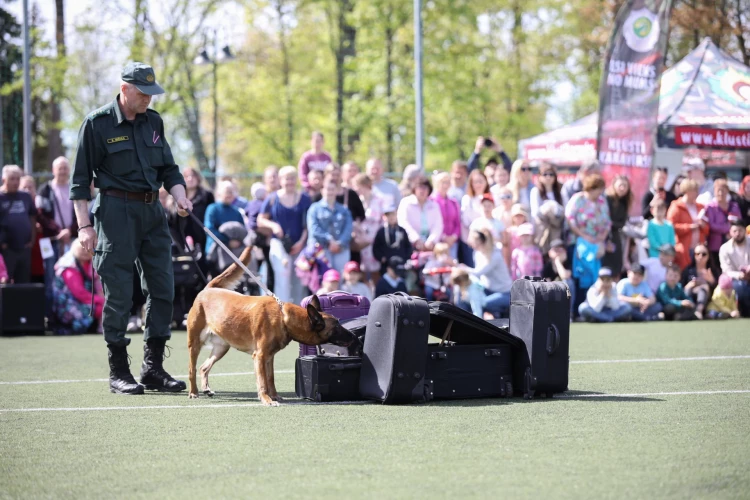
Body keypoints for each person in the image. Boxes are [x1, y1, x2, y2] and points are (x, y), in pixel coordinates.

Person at [70, 62, 192, 394]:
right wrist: (84, 227)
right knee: (120, 293)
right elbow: (79, 183)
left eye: (152, 93)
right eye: (143, 93)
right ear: (125, 89)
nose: (149, 100)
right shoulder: (97, 124)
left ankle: (153, 368)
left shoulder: (154, 121)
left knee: (163, 289)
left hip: (153, 212)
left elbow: (170, 169)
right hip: (115, 213)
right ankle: (118, 371)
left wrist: (180, 196)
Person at [257, 165, 312, 305]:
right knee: (283, 277)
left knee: (299, 280)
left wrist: (301, 243)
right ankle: (283, 312)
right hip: (279, 244)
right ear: (281, 180)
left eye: (293, 178)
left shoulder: (305, 198)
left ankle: (301, 312)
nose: (290, 182)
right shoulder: (272, 198)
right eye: (287, 179)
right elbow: (261, 219)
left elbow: (307, 224)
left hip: (300, 245)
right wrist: (274, 225)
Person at [50, 241, 105, 335]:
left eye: (87, 249)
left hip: (83, 300)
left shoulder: (91, 264)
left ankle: (103, 328)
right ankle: (101, 329)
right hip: (66, 305)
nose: (85, 251)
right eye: (81, 249)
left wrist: (102, 296)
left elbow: (98, 284)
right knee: (102, 305)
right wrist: (101, 300)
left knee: (107, 302)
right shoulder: (69, 267)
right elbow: (80, 293)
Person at [461, 227, 513, 319]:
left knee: (481, 303)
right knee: (466, 298)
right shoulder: (477, 253)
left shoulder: (495, 255)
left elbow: (478, 272)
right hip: (488, 290)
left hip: (504, 293)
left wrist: (457, 266)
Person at [307, 175, 353, 273]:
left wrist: (339, 243)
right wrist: (329, 240)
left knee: (340, 279)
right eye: (327, 189)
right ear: (322, 190)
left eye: (332, 189)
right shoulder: (314, 208)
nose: (330, 192)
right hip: (321, 249)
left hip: (341, 249)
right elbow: (314, 229)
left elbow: (348, 229)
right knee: (323, 279)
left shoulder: (344, 210)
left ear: (336, 191)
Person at [0, 165, 36, 284]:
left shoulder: (25, 196)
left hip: (24, 248)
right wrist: (2, 243)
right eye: (12, 179)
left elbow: (32, 216)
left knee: (24, 283)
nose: (16, 182)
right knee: (6, 283)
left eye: (17, 179)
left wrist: (32, 238)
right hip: (6, 250)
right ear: (4, 180)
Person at [37, 156, 76, 257]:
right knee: (50, 270)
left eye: (65, 168)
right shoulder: (44, 190)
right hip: (50, 239)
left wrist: (69, 230)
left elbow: (80, 212)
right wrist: (59, 231)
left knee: (71, 271)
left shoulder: (75, 189)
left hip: (72, 239)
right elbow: (40, 214)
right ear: (53, 170)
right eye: (60, 168)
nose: (62, 171)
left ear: (69, 170)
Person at [667, 178, 709, 270]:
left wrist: (703, 225)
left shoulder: (700, 207)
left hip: (698, 249)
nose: (697, 193)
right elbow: (671, 226)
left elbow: (707, 229)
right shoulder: (676, 206)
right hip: (683, 248)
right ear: (687, 191)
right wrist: (689, 227)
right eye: (695, 190)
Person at [203, 181, 245, 268]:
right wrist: (227, 241)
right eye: (227, 191)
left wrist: (238, 242)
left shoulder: (236, 212)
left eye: (231, 191)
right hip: (215, 253)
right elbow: (209, 229)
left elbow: (243, 230)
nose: (229, 194)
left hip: (234, 253)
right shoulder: (212, 209)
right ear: (219, 193)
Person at [352, 173, 385, 278]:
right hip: (361, 241)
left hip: (375, 241)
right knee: (361, 272)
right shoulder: (357, 201)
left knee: (376, 272)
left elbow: (383, 220)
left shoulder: (379, 200)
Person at [397, 177, 443, 252]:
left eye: (425, 188)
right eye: (420, 187)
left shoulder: (434, 205)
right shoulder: (406, 203)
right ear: (414, 189)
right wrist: (416, 239)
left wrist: (431, 241)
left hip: (430, 247)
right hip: (409, 245)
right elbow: (403, 223)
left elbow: (438, 225)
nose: (422, 191)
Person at [704, 178, 742, 265]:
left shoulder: (734, 206)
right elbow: (712, 226)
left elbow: (739, 222)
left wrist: (732, 230)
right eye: (718, 190)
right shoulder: (710, 207)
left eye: (723, 190)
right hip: (715, 246)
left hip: (732, 244)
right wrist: (729, 228)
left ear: (727, 191)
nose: (721, 193)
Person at [181, 167, 215, 264]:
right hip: (182, 237)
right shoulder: (177, 197)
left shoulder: (207, 195)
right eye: (186, 176)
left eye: (193, 176)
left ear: (198, 178)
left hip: (202, 235)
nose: (190, 179)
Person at [602, 175, 633, 277]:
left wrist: (615, 224)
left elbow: (622, 222)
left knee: (616, 266)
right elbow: (605, 220)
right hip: (604, 236)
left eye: (625, 186)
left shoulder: (624, 202)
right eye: (620, 185)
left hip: (616, 235)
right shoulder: (607, 199)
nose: (622, 188)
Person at [718, 221, 750, 317]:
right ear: (730, 232)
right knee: (741, 288)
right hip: (737, 279)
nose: (737, 233)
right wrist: (740, 275)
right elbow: (726, 270)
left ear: (745, 230)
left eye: (740, 230)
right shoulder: (724, 248)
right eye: (735, 231)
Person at [460, 169, 491, 265]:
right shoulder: (467, 199)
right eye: (475, 182)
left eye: (481, 181)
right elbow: (466, 220)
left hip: (488, 240)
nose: (478, 185)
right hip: (471, 240)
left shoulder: (491, 198)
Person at [680, 243, 717, 320]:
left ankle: (699, 311)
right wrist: (689, 285)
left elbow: (720, 289)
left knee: (703, 287)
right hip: (690, 299)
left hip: (708, 302)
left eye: (704, 254)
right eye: (697, 254)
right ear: (694, 255)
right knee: (689, 288)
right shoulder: (688, 270)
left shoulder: (712, 270)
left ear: (708, 256)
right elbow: (680, 287)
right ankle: (688, 311)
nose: (700, 257)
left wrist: (712, 281)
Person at [372, 205, 412, 276]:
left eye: (393, 214)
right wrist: (381, 258)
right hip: (386, 266)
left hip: (401, 264)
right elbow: (375, 248)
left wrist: (405, 258)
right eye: (388, 215)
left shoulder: (402, 230)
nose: (391, 217)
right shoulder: (381, 232)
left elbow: (408, 246)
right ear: (384, 217)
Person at [431, 171, 461, 260]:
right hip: (438, 242)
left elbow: (457, 223)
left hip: (452, 243)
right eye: (443, 182)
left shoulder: (453, 202)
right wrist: (443, 237)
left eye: (447, 182)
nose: (445, 185)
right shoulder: (432, 201)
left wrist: (453, 237)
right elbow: (432, 222)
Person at [541, 238, 575, 315]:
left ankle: (569, 313)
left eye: (561, 250)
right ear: (550, 252)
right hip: (553, 295)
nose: (558, 253)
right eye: (556, 250)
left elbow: (565, 276)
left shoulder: (568, 263)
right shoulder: (548, 266)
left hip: (565, 294)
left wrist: (558, 262)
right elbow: (546, 282)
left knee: (568, 282)